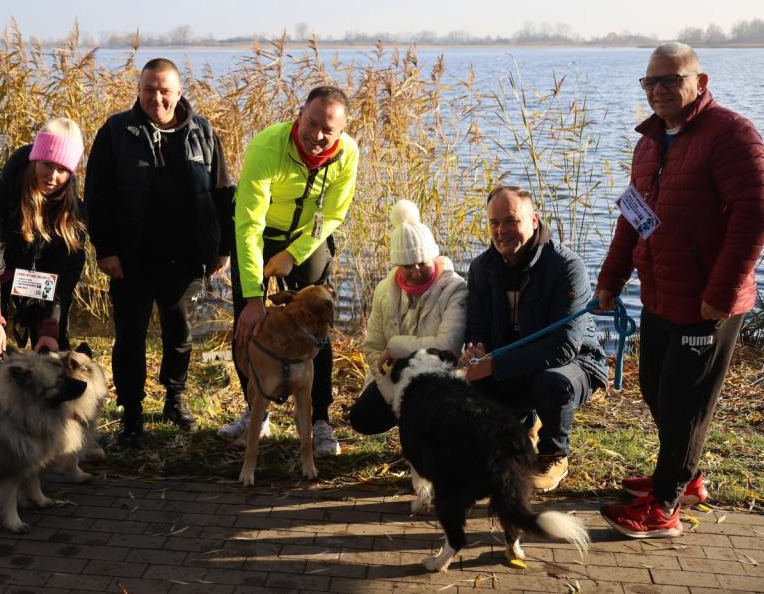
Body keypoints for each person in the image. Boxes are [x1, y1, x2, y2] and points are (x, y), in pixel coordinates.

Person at [597, 42, 764, 538]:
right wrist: (611, 279)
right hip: (660, 294)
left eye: (671, 80)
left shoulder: (731, 135)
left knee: (683, 403)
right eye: (650, 82)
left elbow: (756, 215)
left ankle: (665, 505)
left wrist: (720, 293)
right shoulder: (649, 142)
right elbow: (633, 219)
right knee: (654, 390)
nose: (659, 90)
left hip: (707, 303)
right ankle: (687, 476)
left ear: (700, 81)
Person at [85, 58, 234, 445]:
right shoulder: (117, 131)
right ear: (139, 90)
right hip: (131, 259)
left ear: (179, 92)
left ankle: (175, 398)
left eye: (165, 89)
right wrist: (106, 249)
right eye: (149, 89)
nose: (157, 97)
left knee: (179, 335)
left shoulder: (202, 132)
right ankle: (131, 413)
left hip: (185, 259)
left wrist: (223, 248)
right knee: (130, 338)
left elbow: (222, 192)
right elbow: (96, 197)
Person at [219, 85, 360, 458]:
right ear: (300, 114)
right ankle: (256, 412)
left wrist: (293, 256)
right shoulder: (266, 147)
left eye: (327, 130)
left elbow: (331, 214)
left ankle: (320, 420)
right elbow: (247, 226)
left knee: (319, 322)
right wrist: (254, 297)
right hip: (259, 233)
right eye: (310, 123)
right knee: (248, 326)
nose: (316, 135)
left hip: (306, 239)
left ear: (341, 132)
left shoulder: (347, 154)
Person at [461, 185, 608, 492]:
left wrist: (495, 365)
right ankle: (524, 426)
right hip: (513, 362)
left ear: (534, 220)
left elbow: (563, 347)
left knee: (550, 382)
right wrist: (476, 352)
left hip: (575, 363)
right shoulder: (480, 268)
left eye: (511, 220)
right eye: (494, 223)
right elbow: (476, 326)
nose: (501, 230)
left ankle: (554, 454)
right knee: (470, 387)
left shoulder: (566, 266)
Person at [0, 117, 87, 357]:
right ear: (35, 159)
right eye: (47, 164)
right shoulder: (0, 193)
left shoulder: (73, 208)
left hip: (38, 284)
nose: (52, 176)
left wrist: (50, 328)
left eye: (62, 169)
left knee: (53, 354)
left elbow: (67, 271)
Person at [349, 199, 467, 435]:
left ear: (432, 257)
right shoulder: (384, 290)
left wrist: (395, 347)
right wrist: (393, 397)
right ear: (397, 264)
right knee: (362, 418)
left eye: (422, 263)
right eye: (407, 265)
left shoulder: (456, 289)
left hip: (439, 377)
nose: (415, 271)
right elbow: (373, 346)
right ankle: (407, 420)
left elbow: (448, 346)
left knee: (437, 424)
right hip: (398, 378)